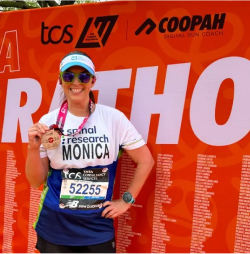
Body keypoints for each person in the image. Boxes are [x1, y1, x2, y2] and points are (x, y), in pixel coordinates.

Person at [25, 50, 154, 254]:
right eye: (69, 76)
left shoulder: (113, 118)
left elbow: (146, 160)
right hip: (55, 225)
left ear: (92, 81)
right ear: (60, 81)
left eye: (83, 76)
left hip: (97, 226)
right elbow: (35, 181)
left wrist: (127, 200)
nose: (76, 82)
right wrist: (33, 148)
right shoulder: (47, 123)